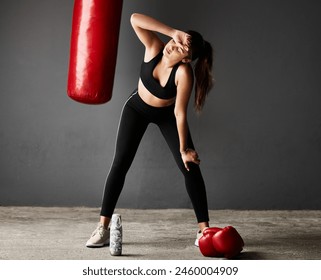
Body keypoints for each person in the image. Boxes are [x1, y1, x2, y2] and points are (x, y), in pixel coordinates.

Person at [86, 13, 214, 249]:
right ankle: (102, 228)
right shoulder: (155, 47)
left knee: (190, 166)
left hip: (167, 116)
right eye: (174, 42)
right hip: (137, 108)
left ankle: (204, 232)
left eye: (179, 49)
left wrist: (184, 149)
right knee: (120, 163)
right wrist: (172, 32)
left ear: (187, 59)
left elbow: (179, 113)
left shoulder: (184, 74)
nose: (172, 47)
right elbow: (134, 18)